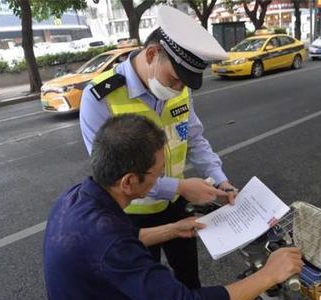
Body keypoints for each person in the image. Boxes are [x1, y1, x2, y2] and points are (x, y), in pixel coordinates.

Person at [44, 114, 303, 300]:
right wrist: (268, 275)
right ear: (129, 181)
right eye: (157, 174)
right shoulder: (110, 243)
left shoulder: (77, 198)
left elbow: (125, 238)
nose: (161, 180)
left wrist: (171, 229)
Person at [79, 6, 235, 288]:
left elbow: (195, 137)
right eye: (174, 79)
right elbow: (112, 176)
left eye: (184, 83)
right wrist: (179, 187)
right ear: (152, 55)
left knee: (189, 280)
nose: (178, 89)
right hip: (130, 214)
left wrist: (221, 180)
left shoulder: (179, 88)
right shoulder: (99, 98)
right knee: (141, 289)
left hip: (177, 205)